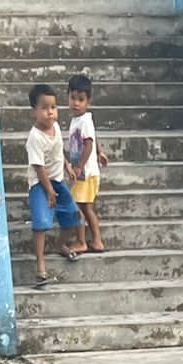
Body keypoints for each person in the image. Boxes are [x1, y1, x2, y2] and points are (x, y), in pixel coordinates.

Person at [26, 84, 84, 285]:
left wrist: (67, 166)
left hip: (58, 182)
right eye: (44, 108)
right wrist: (49, 191)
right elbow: (39, 167)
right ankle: (40, 265)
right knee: (41, 224)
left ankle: (60, 244)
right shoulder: (35, 137)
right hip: (40, 185)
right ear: (34, 110)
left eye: (53, 107)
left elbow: (58, 152)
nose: (50, 112)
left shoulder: (56, 127)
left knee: (74, 217)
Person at [65, 75, 109, 256]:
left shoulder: (84, 120)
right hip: (86, 173)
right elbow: (93, 138)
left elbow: (88, 143)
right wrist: (100, 152)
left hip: (85, 173)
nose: (76, 103)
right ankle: (96, 241)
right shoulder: (80, 120)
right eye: (73, 98)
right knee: (85, 208)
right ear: (67, 97)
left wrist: (79, 166)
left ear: (88, 102)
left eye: (81, 100)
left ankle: (82, 241)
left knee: (78, 207)